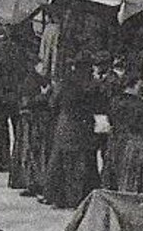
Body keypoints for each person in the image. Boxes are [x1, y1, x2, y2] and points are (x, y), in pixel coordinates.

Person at [43, 60, 102, 208]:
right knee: (82, 163)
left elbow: (53, 104)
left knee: (61, 163)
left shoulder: (64, 83)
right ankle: (80, 197)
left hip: (65, 125)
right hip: (83, 126)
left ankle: (60, 198)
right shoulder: (91, 85)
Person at [105, 78, 143, 194]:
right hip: (141, 145)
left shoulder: (115, 101)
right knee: (142, 177)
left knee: (120, 175)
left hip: (118, 142)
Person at [9, 65, 51, 197]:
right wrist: (45, 96)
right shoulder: (31, 80)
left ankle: (32, 181)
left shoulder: (34, 79)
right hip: (32, 121)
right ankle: (33, 182)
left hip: (32, 121)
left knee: (30, 152)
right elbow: (27, 101)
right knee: (32, 153)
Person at [0, 32, 25, 172]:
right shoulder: (18, 50)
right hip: (16, 95)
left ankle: (4, 161)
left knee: (1, 129)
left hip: (1, 96)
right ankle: (20, 160)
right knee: (18, 129)